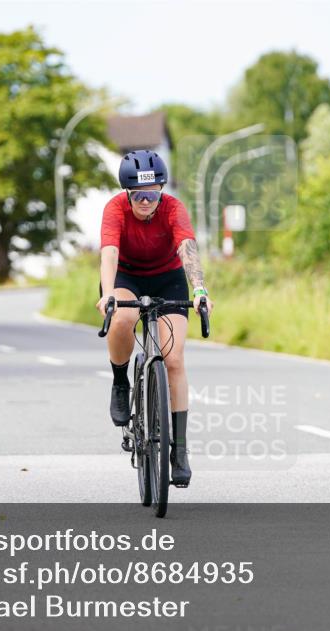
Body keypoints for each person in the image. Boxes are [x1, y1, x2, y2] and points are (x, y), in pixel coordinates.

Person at [96, 149, 214, 487]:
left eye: (153, 194)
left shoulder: (174, 209)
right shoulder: (115, 210)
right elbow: (110, 253)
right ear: (128, 194)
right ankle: (121, 381)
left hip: (168, 277)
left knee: (173, 359)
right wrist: (107, 295)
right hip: (126, 278)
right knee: (121, 319)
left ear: (161, 190)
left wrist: (200, 289)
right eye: (139, 196)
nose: (146, 201)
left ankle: (179, 451)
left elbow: (187, 247)